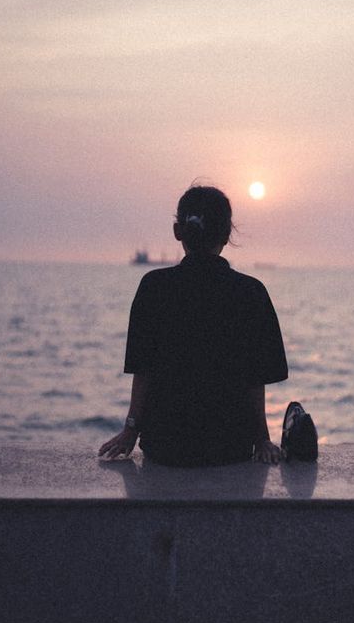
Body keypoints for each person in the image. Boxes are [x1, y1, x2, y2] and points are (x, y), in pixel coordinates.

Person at [98, 185, 288, 466]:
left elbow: (144, 370)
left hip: (165, 446)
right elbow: (254, 377)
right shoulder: (251, 292)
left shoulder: (154, 287)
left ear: (178, 232)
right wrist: (262, 439)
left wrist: (130, 430)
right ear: (227, 234)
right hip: (230, 447)